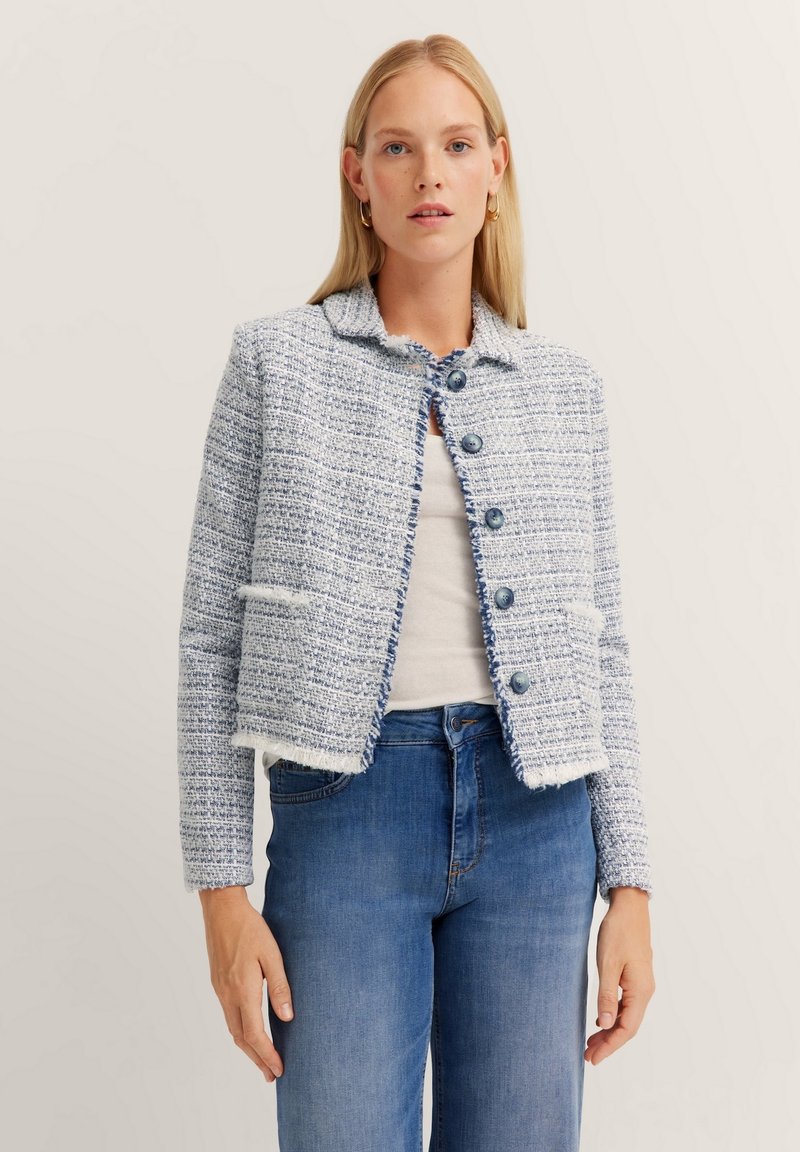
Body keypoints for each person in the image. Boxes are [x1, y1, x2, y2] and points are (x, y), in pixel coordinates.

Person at [177, 33, 655, 1152]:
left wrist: (630, 885)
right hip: (344, 811)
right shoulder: (275, 364)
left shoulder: (562, 389)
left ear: (496, 168)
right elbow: (209, 638)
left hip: (538, 820)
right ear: (358, 175)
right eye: (397, 148)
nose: (428, 174)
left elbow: (600, 647)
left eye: (455, 146)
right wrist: (219, 892)